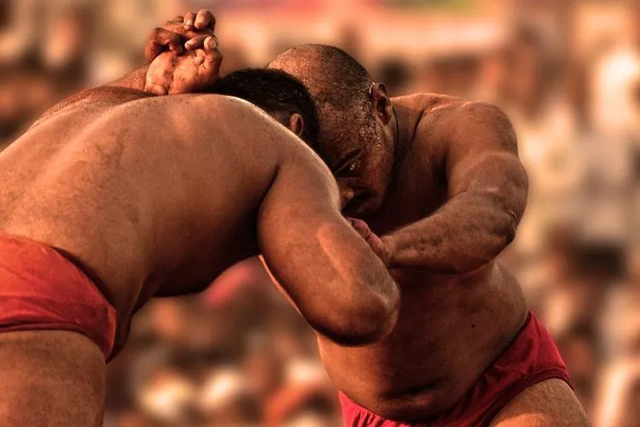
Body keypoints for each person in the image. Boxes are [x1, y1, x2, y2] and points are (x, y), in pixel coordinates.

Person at [152, 10, 590, 426]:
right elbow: (154, 197)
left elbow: (495, 212)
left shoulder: (455, 127)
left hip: (502, 383)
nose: (341, 196)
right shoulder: (266, 161)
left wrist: (388, 249)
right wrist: (157, 90)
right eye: (324, 179)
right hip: (369, 410)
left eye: (349, 165)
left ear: (380, 106)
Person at [0, 19, 400, 426]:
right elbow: (357, 309)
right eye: (338, 169)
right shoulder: (280, 142)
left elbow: (131, 96)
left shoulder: (90, 108)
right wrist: (373, 248)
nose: (343, 194)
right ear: (297, 127)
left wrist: (154, 75)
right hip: (39, 295)